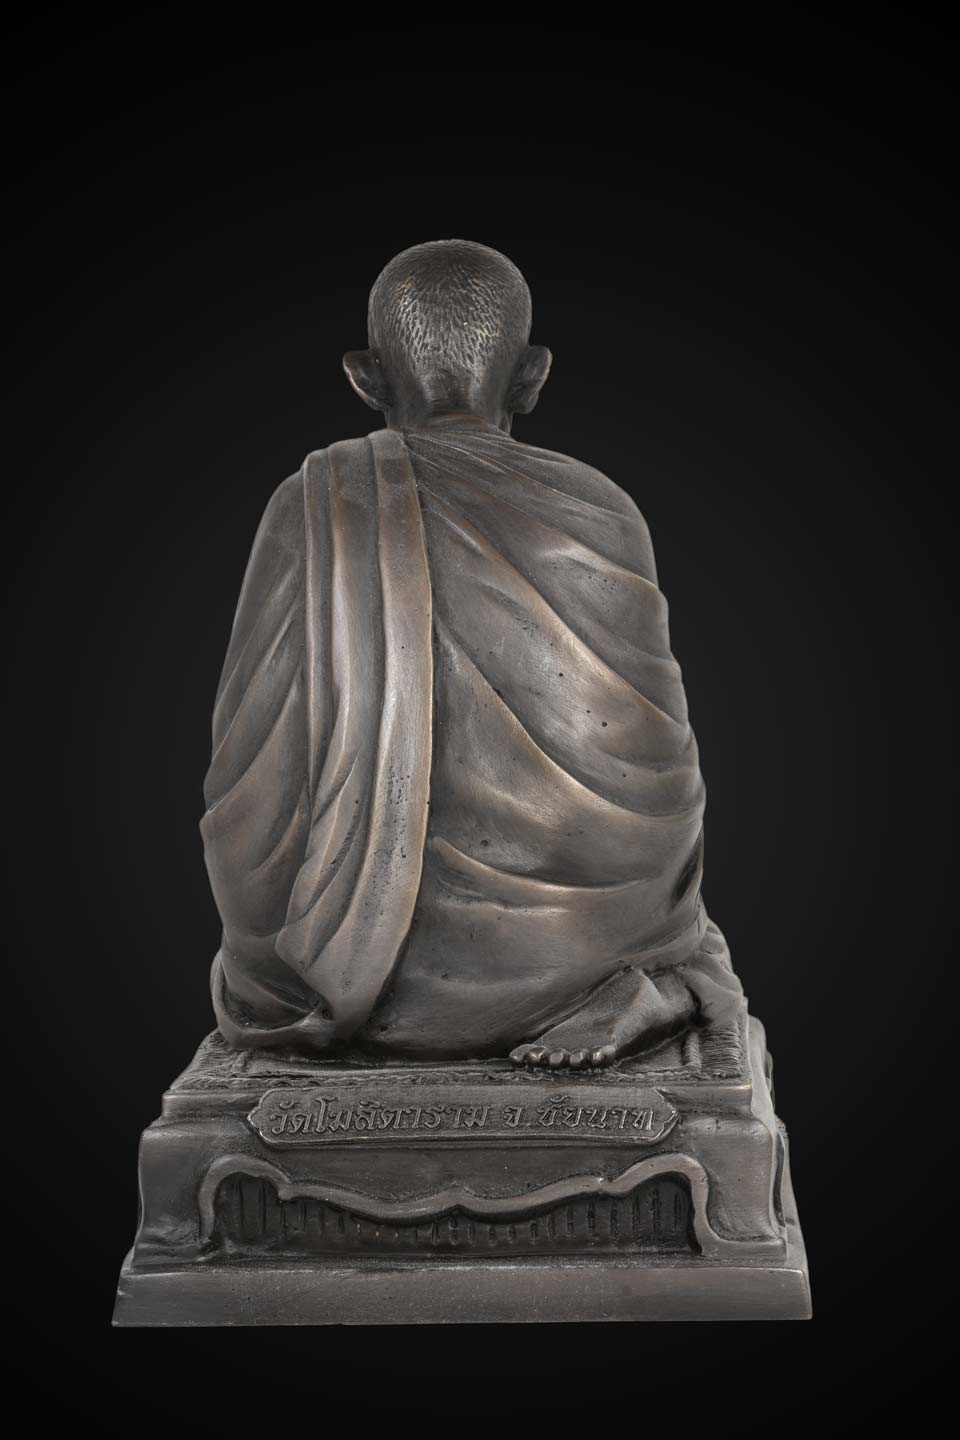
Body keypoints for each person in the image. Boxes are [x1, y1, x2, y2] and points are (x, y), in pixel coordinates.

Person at [200, 239, 743, 1066]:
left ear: (364, 378)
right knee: (681, 909)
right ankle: (655, 983)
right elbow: (659, 781)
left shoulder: (313, 505)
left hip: (352, 989)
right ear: (532, 376)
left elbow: (250, 778)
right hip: (584, 951)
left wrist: (282, 935)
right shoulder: (601, 508)